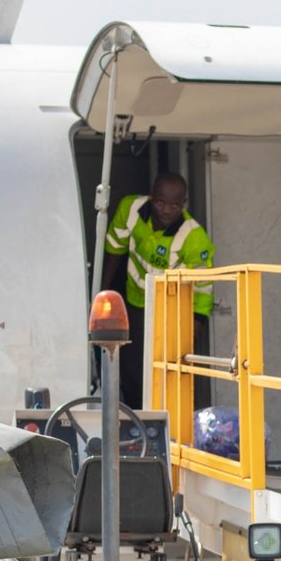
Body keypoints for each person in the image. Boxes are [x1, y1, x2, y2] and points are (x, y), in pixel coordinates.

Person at [101, 173, 214, 409]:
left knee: (164, 372)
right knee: (131, 369)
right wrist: (102, 291)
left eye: (174, 205)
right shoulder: (130, 208)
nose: (166, 210)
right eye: (161, 202)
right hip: (132, 303)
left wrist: (189, 335)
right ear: (151, 197)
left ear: (183, 205)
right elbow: (114, 250)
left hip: (169, 312)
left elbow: (203, 293)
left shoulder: (195, 238)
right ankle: (135, 417)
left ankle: (163, 425)